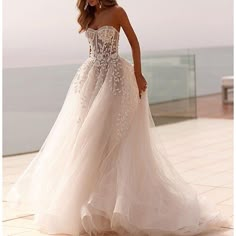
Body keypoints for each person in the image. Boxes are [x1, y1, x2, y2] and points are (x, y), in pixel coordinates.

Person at [6, 0, 231, 235]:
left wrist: (138, 74)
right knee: (89, 140)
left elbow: (134, 43)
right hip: (92, 79)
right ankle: (93, 205)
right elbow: (92, 51)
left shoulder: (118, 12)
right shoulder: (89, 16)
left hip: (115, 80)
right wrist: (87, 83)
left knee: (115, 138)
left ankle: (117, 206)